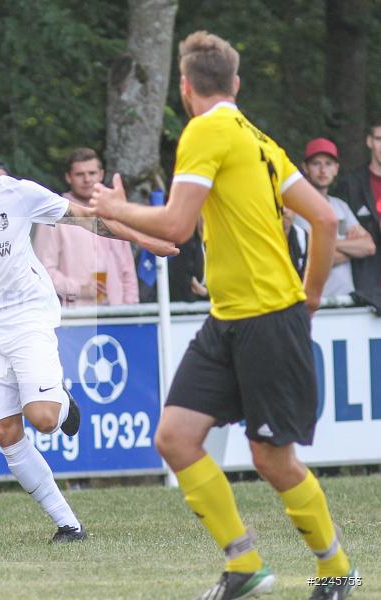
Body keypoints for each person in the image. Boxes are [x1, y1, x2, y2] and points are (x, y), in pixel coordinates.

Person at [89, 31, 358, 599]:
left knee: (273, 460)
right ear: (235, 83)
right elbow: (325, 222)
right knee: (176, 437)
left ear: (185, 88)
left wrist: (115, 207)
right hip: (229, 318)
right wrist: (308, 298)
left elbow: (176, 225)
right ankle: (245, 564)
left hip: (265, 319)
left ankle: (337, 569)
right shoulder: (258, 137)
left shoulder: (206, 129)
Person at [0, 112, 175, 543]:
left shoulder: (18, 194)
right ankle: (69, 525)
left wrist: (142, 238)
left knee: (43, 419)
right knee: (7, 432)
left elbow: (86, 217)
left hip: (27, 315)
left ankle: (62, 399)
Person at [34, 148, 139, 307]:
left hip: (117, 315)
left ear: (101, 175)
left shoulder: (114, 213)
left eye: (92, 173)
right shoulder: (55, 215)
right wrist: (81, 289)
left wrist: (132, 310)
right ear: (68, 177)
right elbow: (42, 271)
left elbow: (127, 270)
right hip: (75, 317)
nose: (87, 179)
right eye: (79, 174)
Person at [296, 138, 375, 298]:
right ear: (305, 168)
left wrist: (325, 246)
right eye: (316, 163)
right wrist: (351, 250)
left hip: (346, 298)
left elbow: (368, 246)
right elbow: (307, 262)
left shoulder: (341, 207)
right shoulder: (297, 208)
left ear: (336, 169)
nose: (323, 170)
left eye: (328, 164)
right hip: (310, 301)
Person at [335, 119, 381, 305]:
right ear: (369, 141)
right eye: (379, 139)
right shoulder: (351, 183)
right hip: (364, 284)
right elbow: (338, 233)